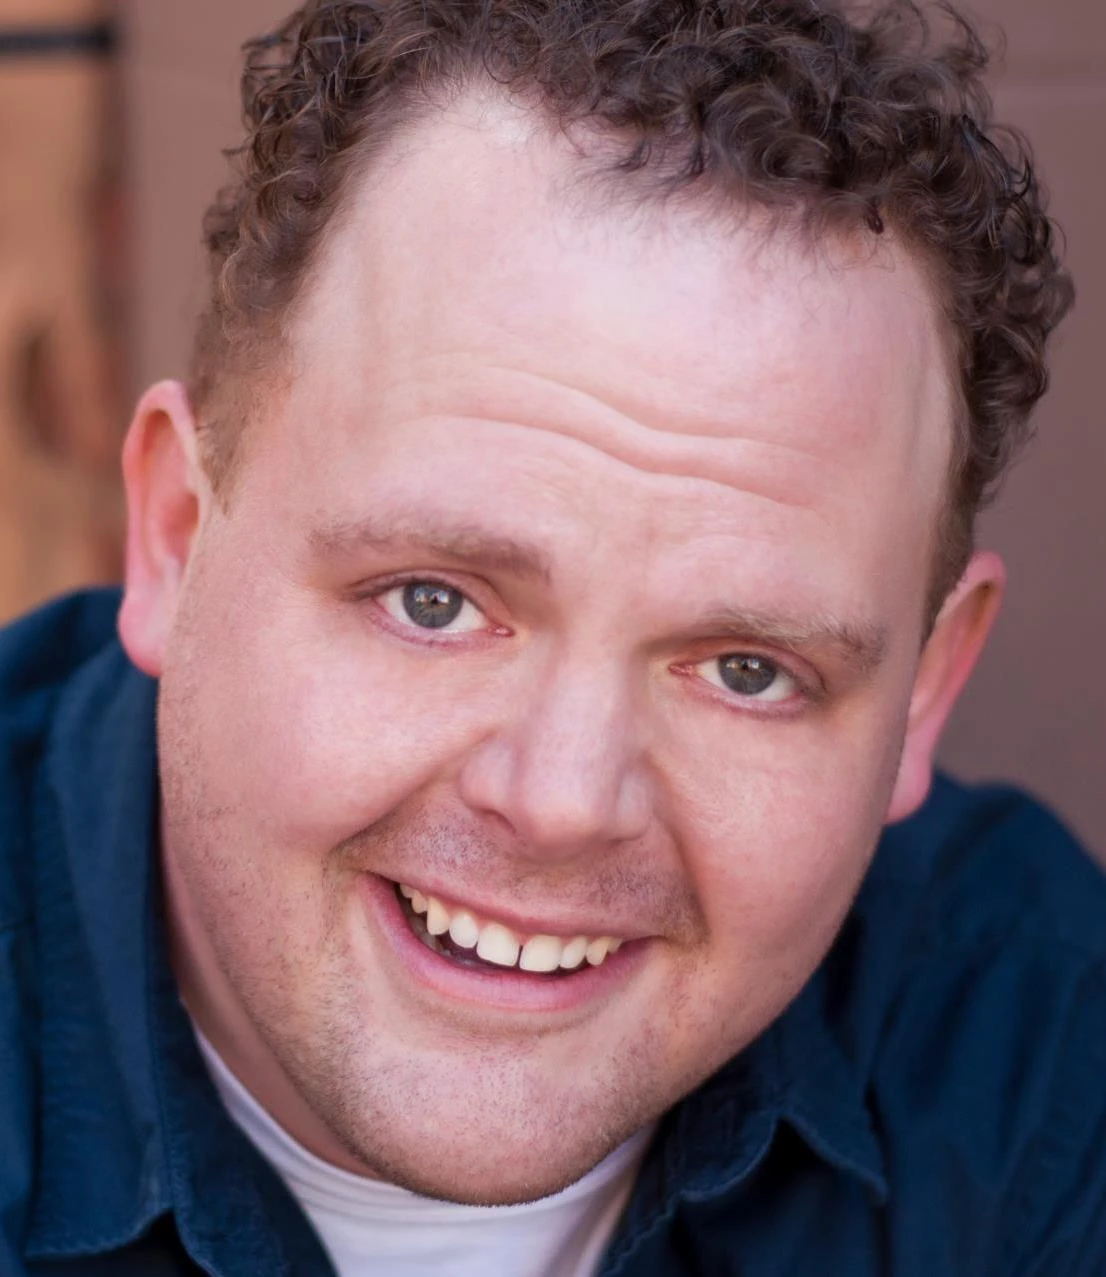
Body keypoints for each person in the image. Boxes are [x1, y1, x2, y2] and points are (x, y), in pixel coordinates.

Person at [3, 0, 1105, 1273]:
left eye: (745, 671)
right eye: (432, 601)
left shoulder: (1033, 1057)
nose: (562, 800)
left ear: (921, 691)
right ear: (175, 535)